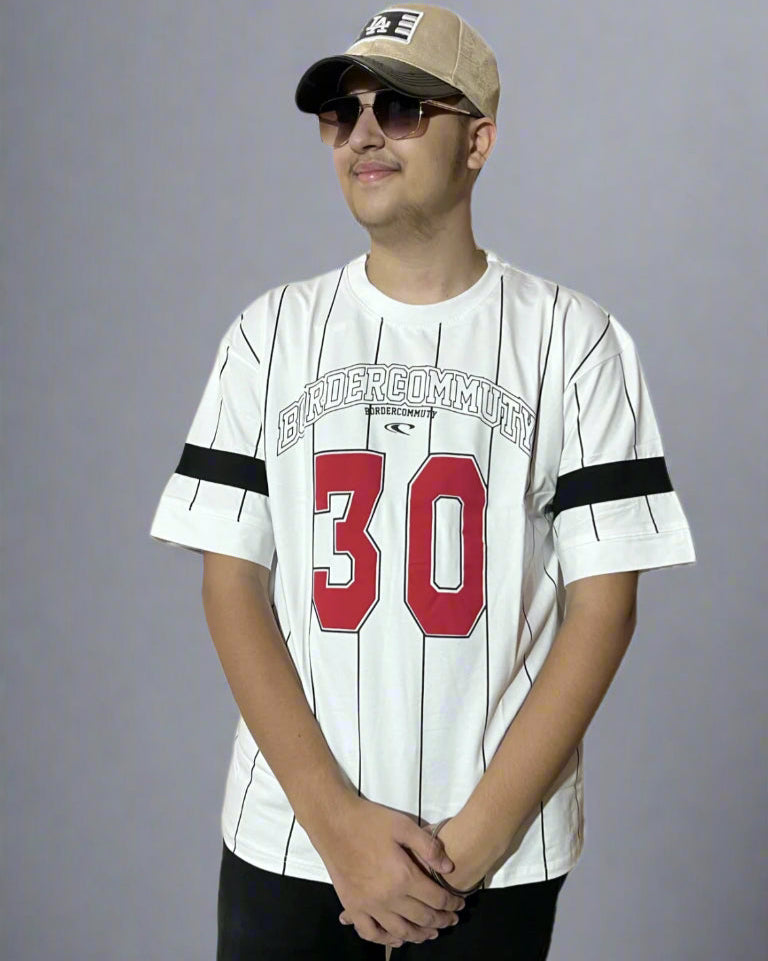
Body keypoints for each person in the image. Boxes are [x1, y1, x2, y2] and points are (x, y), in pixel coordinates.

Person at [149, 3, 697, 958]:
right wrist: (339, 831)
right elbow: (230, 582)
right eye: (340, 111)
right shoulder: (267, 335)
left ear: (477, 139)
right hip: (291, 837)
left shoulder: (577, 342)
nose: (364, 131)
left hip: (491, 852)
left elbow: (604, 608)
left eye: (401, 108)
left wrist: (465, 851)